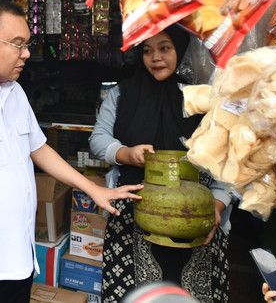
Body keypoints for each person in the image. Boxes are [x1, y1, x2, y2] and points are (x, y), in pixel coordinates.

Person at [0, 0, 143, 303]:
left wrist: (92, 189)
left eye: (27, 44)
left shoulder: (14, 92)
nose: (26, 53)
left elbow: (39, 149)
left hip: (19, 260)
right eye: (17, 44)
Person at [88, 25, 233, 303]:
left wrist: (216, 205)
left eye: (165, 48)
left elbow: (226, 157)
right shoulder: (123, 94)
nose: (155, 58)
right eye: (147, 50)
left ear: (181, 50)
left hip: (196, 216)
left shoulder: (203, 97)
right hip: (131, 216)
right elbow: (98, 139)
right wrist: (126, 154)